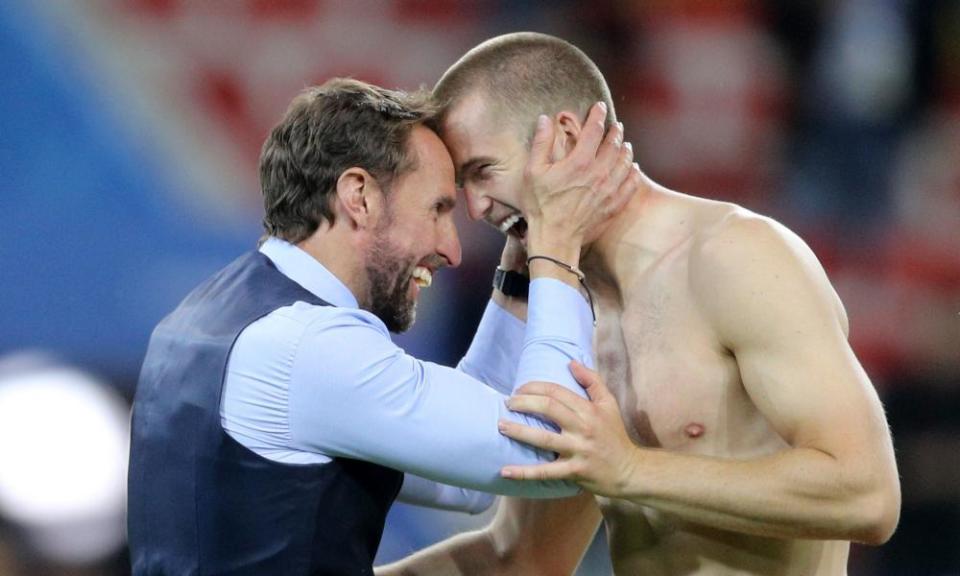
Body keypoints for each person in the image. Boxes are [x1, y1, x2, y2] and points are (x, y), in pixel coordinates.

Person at [377, 32, 901, 576]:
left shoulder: (735, 257)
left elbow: (867, 494)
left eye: (483, 172)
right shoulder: (565, 317)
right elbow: (524, 558)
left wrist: (629, 469)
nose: (476, 206)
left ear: (564, 137)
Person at [126, 78, 642, 575]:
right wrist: (559, 246)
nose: (452, 249)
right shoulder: (310, 348)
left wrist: (522, 271)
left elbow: (472, 471)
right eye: (437, 209)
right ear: (360, 196)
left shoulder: (207, 318)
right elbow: (550, 446)